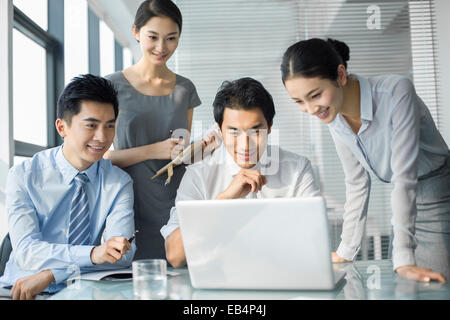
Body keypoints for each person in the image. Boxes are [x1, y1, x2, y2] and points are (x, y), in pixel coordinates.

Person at [281, 38, 450, 283]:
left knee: (432, 285)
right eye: (299, 101)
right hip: (404, 201)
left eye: (315, 95)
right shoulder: (334, 115)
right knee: (405, 286)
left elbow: (405, 176)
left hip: (438, 192)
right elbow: (357, 182)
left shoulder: (396, 92)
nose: (310, 109)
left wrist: (403, 258)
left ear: (340, 74)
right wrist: (346, 251)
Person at [0, 74, 136, 299]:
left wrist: (54, 273)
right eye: (91, 125)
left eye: (109, 126)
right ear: (62, 127)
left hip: (84, 291)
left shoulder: (119, 182)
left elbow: (120, 254)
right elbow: (27, 253)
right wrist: (93, 254)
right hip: (20, 291)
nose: (102, 137)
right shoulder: (24, 176)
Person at [160, 77, 321, 268]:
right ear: (219, 130)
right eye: (234, 132)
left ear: (270, 127)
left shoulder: (297, 169)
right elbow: (175, 256)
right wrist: (224, 200)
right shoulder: (199, 175)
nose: (245, 146)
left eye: (255, 131)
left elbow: (314, 244)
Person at [104, 0, 216, 262]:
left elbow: (181, 156)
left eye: (171, 38)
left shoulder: (184, 89)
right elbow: (102, 158)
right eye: (152, 37)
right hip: (128, 199)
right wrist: (152, 150)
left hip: (174, 198)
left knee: (178, 274)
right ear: (136, 32)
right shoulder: (111, 86)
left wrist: (206, 147)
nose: (161, 47)